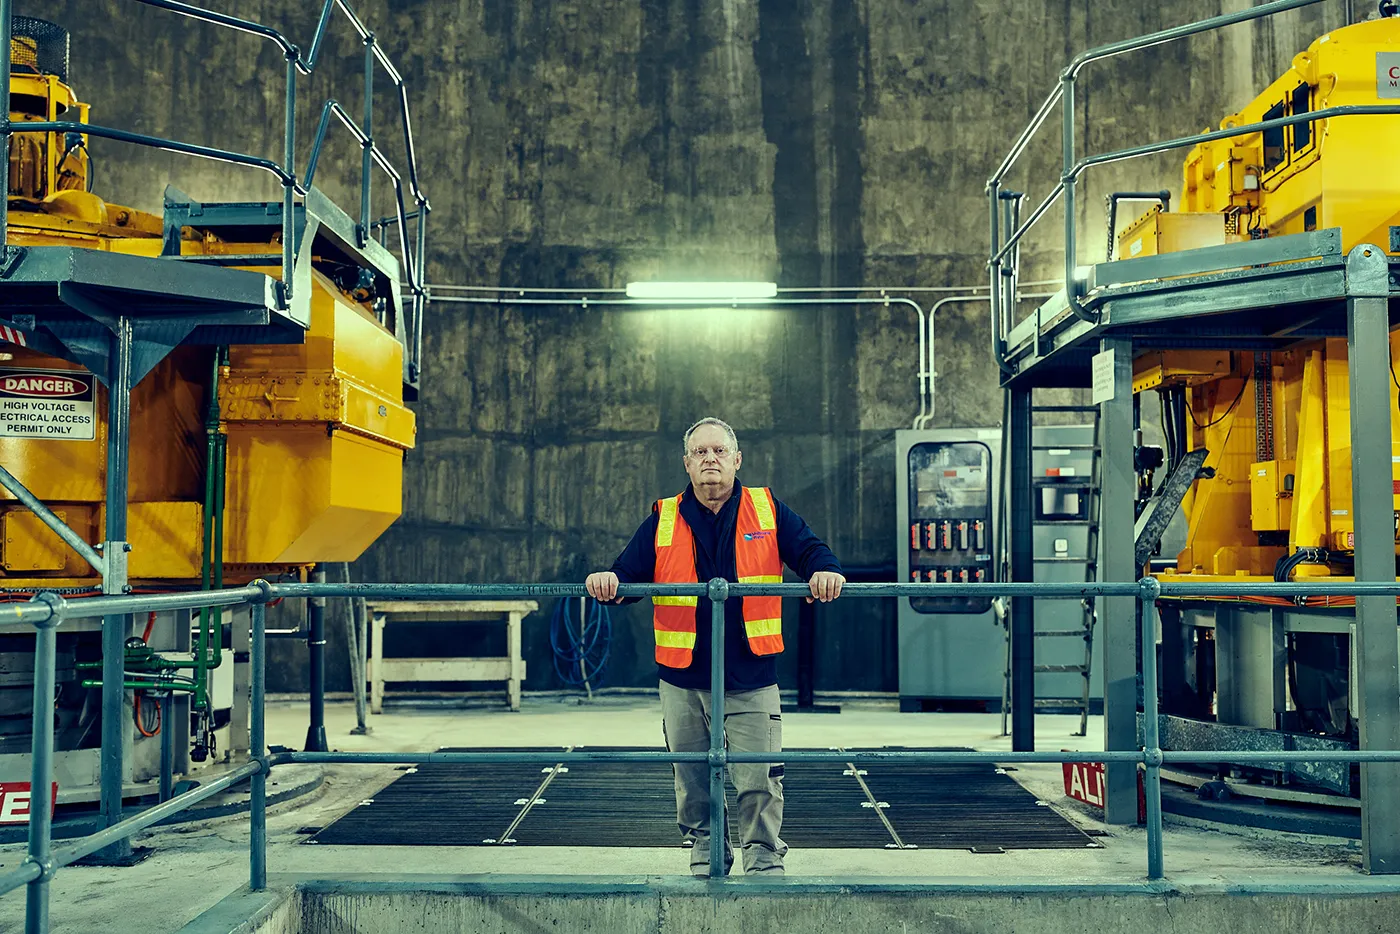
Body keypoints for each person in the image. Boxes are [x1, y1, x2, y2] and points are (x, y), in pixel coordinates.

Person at [585, 416, 845, 877]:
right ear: (686, 463)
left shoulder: (767, 509)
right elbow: (625, 573)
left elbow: (811, 551)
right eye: (701, 453)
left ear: (737, 459)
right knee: (690, 774)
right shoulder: (663, 516)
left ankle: (762, 854)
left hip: (750, 672)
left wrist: (824, 571)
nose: (711, 460)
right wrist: (609, 581)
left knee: (758, 772)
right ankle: (707, 846)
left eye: (719, 452)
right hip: (684, 675)